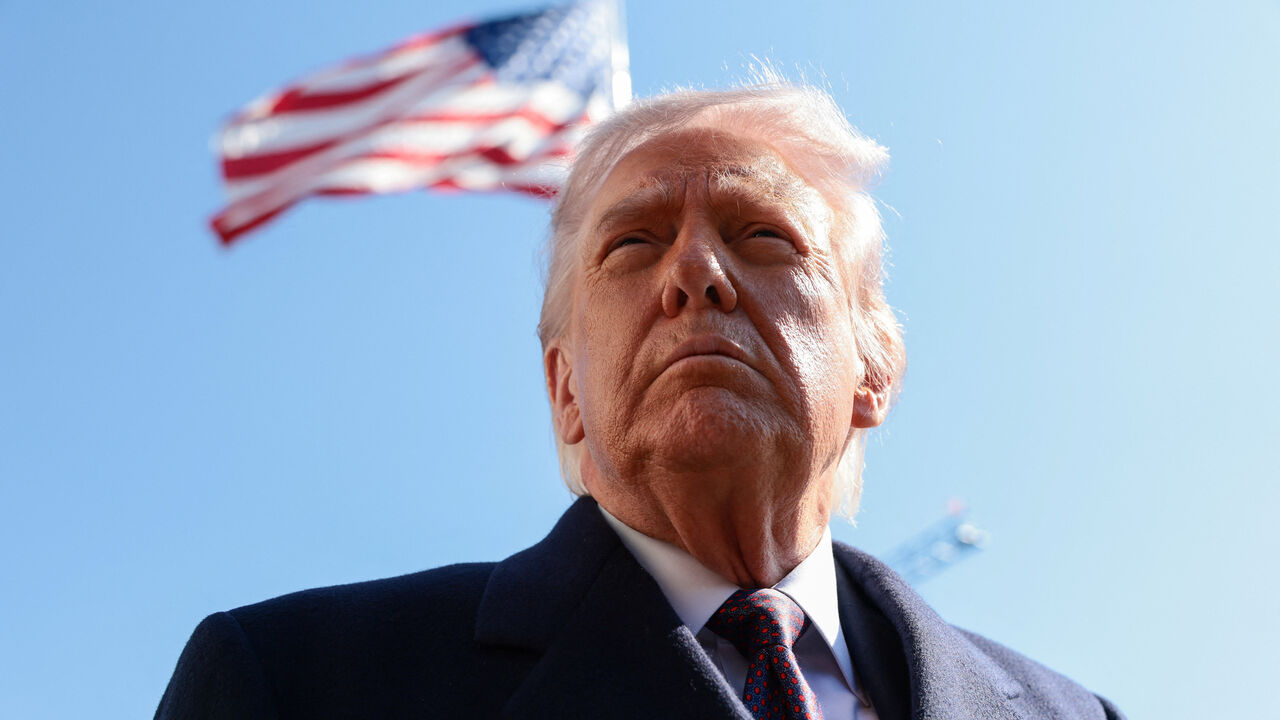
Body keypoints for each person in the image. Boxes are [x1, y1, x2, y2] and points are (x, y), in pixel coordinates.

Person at [155, 82, 1124, 720]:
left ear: (875, 365)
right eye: (631, 244)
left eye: (760, 236)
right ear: (563, 389)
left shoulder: (1074, 713)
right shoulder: (292, 686)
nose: (694, 273)